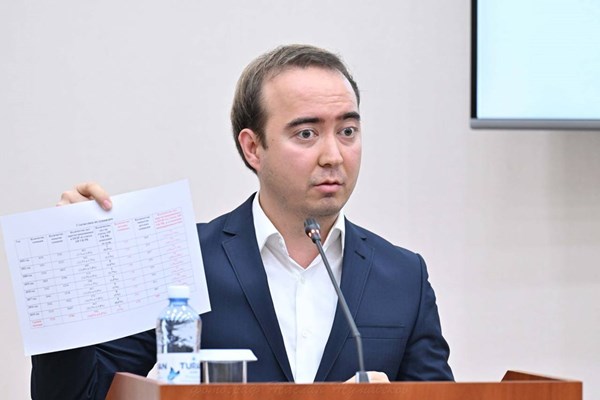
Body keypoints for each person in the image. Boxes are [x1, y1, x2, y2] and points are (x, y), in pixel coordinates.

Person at [31, 44, 453, 399]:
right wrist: (67, 273)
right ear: (253, 148)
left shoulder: (403, 276)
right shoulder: (182, 262)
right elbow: (80, 395)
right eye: (306, 134)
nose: (333, 156)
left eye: (347, 131)